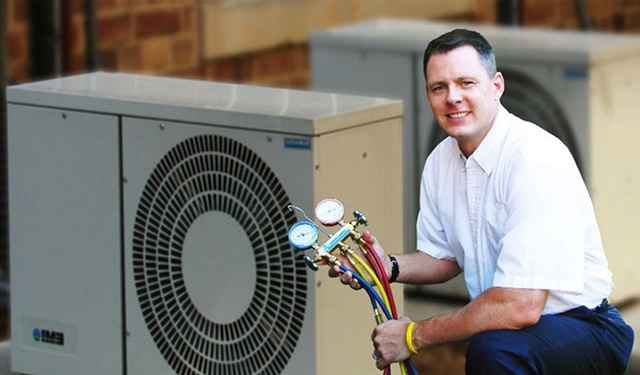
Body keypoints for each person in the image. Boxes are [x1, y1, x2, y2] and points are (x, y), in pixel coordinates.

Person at [330, 28, 634, 374]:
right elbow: (444, 257)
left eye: (466, 83)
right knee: (496, 346)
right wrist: (388, 267)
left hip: (585, 327)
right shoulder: (440, 161)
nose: (452, 97)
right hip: (519, 330)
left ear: (496, 85)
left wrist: (414, 336)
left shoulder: (534, 159)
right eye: (438, 87)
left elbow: (520, 306)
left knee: (495, 352)